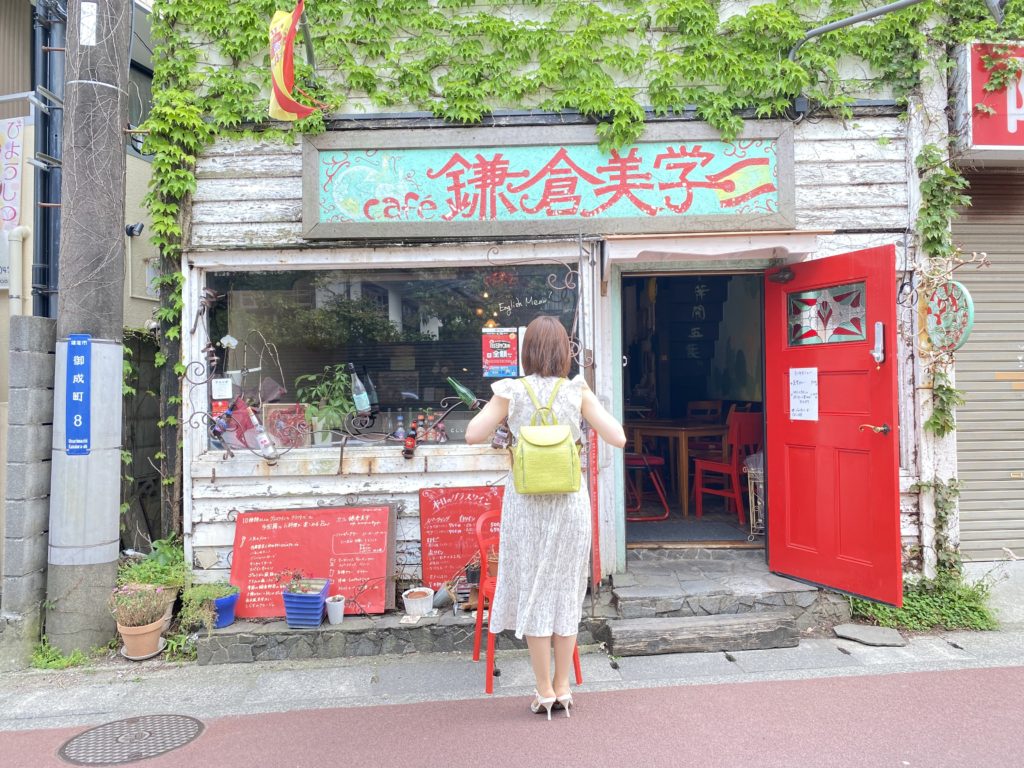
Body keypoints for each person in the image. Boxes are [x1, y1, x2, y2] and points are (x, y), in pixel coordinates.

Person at [465, 316, 626, 719]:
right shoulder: (576, 390)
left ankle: (543, 690)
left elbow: (472, 434)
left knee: (534, 592)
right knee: (566, 591)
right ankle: (563, 686)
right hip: (570, 506)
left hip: (526, 506)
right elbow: (618, 437)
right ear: (564, 351)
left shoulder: (511, 390)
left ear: (528, 351)